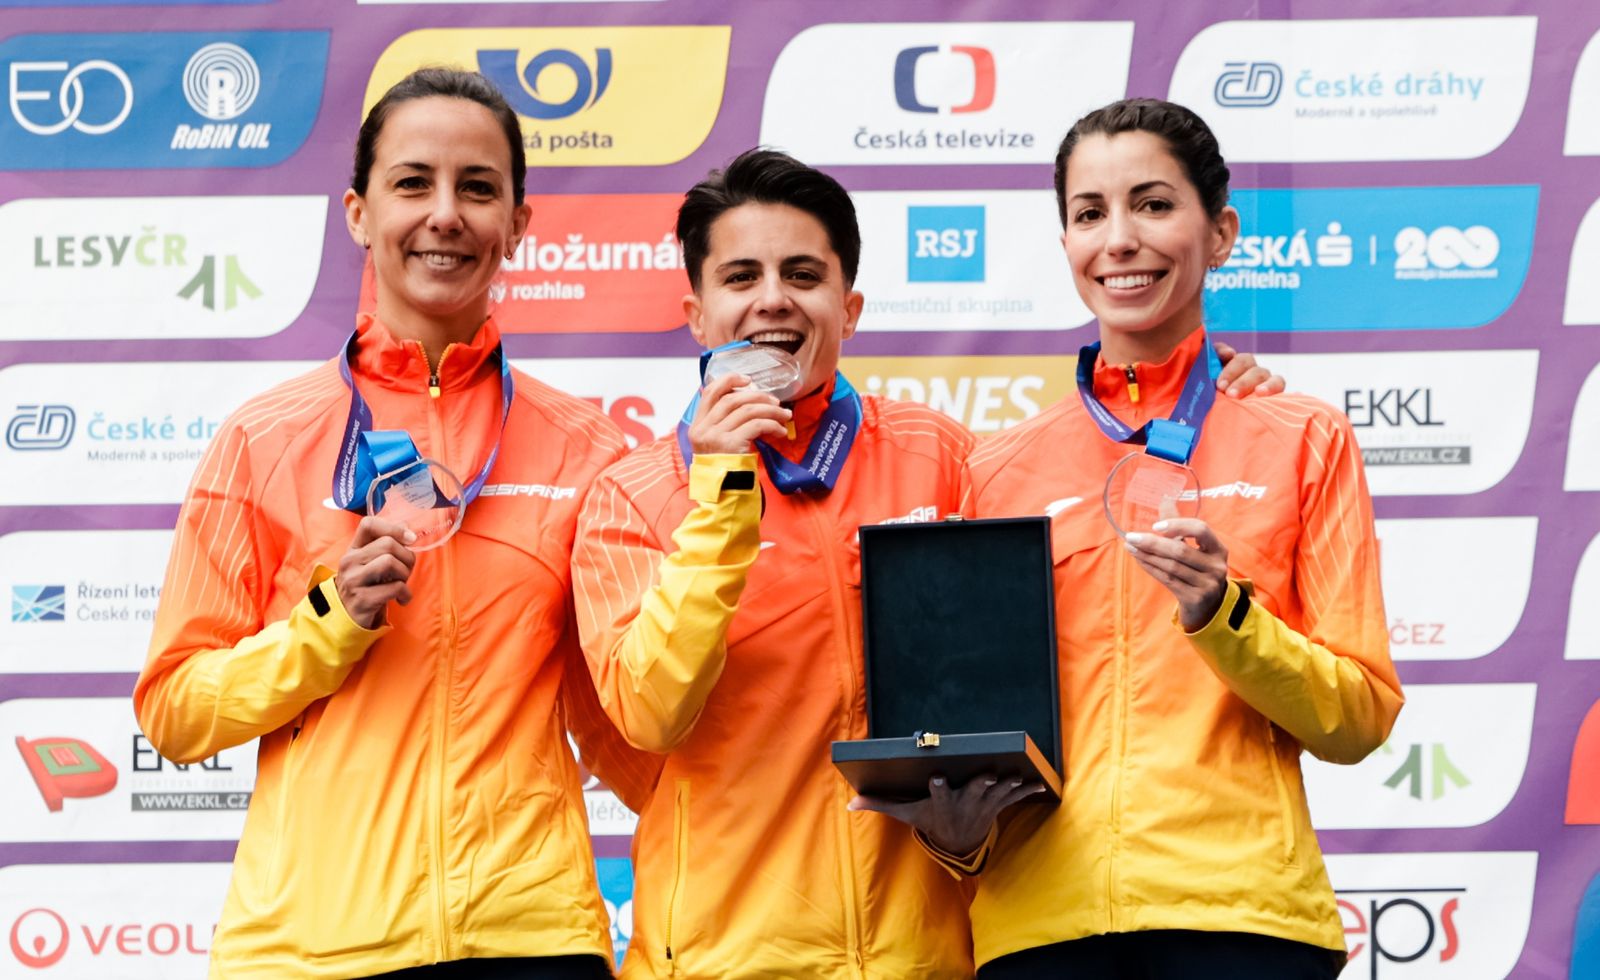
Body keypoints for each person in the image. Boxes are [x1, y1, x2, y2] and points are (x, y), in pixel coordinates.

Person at [569, 148, 1281, 979]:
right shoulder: (629, 494)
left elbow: (1035, 651)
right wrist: (724, 492)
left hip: (928, 956)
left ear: (851, 305)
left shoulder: (945, 457)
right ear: (697, 314)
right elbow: (649, 718)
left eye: (803, 273)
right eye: (741, 277)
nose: (773, 299)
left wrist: (1212, 398)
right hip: (721, 957)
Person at [859, 99, 1406, 978]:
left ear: (1220, 231)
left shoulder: (1302, 437)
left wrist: (1222, 613)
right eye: (1089, 213)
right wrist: (959, 840)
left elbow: (1359, 718)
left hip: (1240, 921)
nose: (1119, 239)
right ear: (1067, 241)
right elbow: (973, 723)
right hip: (1038, 931)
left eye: (1153, 204)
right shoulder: (997, 467)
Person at [134, 68, 653, 979]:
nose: (445, 214)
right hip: (310, 945)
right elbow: (175, 710)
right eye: (413, 182)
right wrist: (328, 624)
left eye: (478, 187)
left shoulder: (590, 448)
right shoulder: (264, 438)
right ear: (357, 213)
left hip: (528, 938)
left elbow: (623, 716)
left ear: (519, 224)